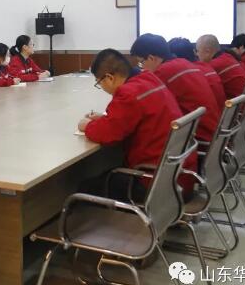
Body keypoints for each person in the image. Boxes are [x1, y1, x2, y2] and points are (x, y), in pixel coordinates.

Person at [77, 49, 195, 200]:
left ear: (109, 78)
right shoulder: (149, 79)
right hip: (180, 176)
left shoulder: (128, 93)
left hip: (155, 183)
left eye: (99, 83)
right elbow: (134, 115)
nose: (103, 88)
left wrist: (87, 125)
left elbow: (109, 134)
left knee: (84, 189)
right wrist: (105, 119)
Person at [131, 34, 220, 146]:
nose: (142, 68)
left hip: (197, 140)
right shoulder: (184, 63)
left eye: (141, 63)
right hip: (211, 135)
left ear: (151, 58)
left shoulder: (162, 72)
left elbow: (141, 105)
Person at [168, 37, 227, 109]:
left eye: (198, 51)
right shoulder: (206, 67)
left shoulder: (183, 73)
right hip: (221, 112)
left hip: (208, 113)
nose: (197, 54)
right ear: (193, 52)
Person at [196, 34, 245, 99]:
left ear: (207, 51)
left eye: (197, 51)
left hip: (235, 103)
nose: (197, 54)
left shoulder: (213, 65)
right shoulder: (228, 56)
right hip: (243, 101)